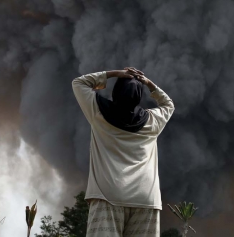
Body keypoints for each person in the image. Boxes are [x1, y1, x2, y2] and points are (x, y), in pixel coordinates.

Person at [72, 67, 175, 237]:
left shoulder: (98, 112)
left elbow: (79, 83)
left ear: (115, 92)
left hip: (108, 195)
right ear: (139, 97)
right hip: (146, 198)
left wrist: (115, 74)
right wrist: (148, 83)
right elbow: (168, 104)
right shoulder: (152, 121)